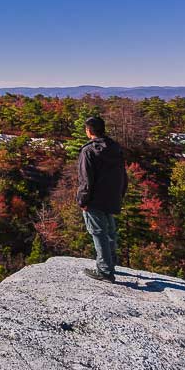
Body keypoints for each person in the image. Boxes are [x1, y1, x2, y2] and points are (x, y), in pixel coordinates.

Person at [76, 115, 128, 282]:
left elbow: (86, 179)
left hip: (94, 199)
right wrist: (120, 194)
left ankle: (105, 271)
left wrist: (82, 200)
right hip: (112, 196)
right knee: (110, 231)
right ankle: (110, 263)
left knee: (98, 233)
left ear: (89, 131)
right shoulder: (114, 147)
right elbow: (122, 174)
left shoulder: (88, 150)